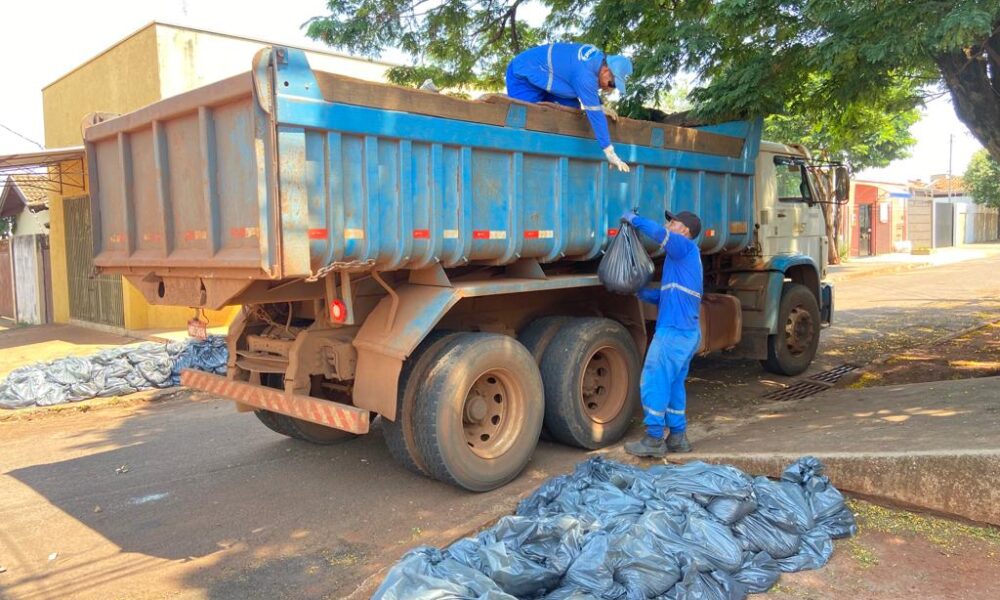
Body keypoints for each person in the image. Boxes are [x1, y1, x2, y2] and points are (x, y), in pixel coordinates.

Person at [621, 209, 703, 457]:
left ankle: (654, 439)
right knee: (674, 384)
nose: (669, 224)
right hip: (686, 332)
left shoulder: (684, 248)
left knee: (653, 379)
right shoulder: (680, 260)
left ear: (685, 230)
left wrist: (633, 219)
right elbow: (667, 296)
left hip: (674, 332)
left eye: (673, 221)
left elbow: (658, 233)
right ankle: (677, 437)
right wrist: (641, 293)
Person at [506, 43, 633, 172]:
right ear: (606, 70)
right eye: (612, 83)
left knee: (572, 112)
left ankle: (558, 158)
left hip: (549, 77)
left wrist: (600, 106)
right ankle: (530, 168)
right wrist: (609, 152)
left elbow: (587, 88)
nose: (609, 88)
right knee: (530, 120)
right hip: (523, 73)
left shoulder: (596, 60)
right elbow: (594, 113)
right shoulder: (585, 75)